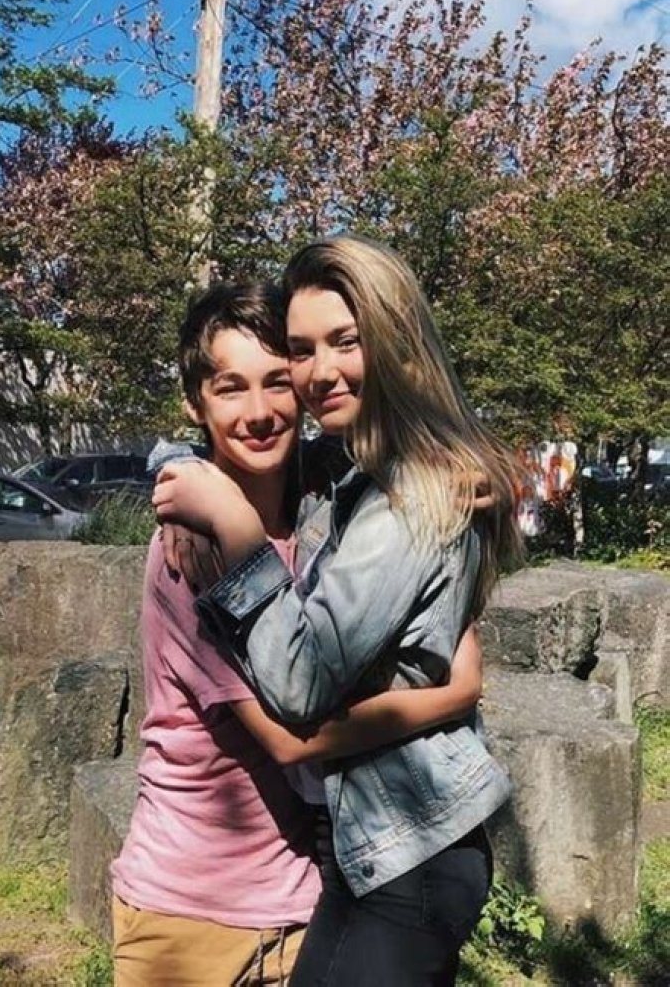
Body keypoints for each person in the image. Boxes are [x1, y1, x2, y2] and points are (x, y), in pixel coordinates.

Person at [153, 236, 524, 986]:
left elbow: (298, 688)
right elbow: (234, 435)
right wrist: (175, 470)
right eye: (303, 349)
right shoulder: (347, 471)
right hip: (368, 850)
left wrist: (236, 529)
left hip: (409, 851)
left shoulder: (409, 498)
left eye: (346, 341)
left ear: (396, 339)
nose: (319, 371)